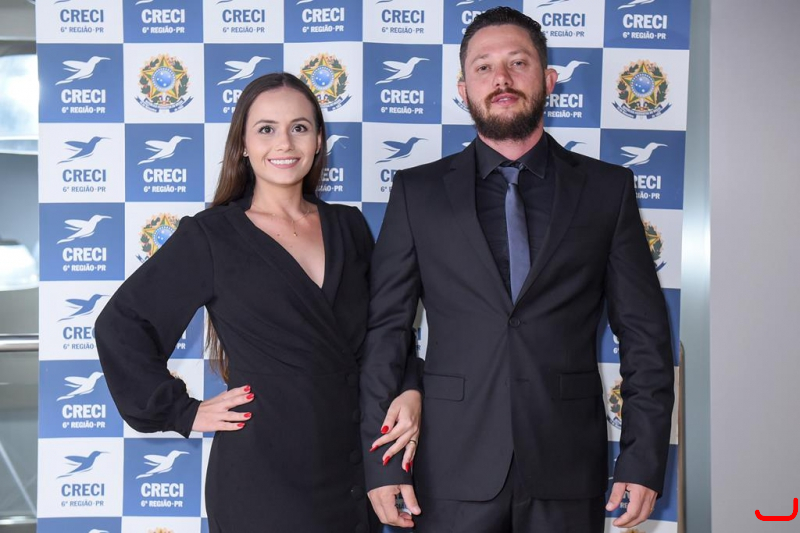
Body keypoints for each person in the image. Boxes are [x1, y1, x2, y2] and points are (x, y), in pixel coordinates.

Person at [360, 7, 675, 532]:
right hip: (448, 467)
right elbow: (385, 333)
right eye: (483, 67)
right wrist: (382, 464)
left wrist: (642, 459)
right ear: (463, 89)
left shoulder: (607, 189)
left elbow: (645, 336)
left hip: (567, 465)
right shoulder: (417, 192)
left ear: (548, 80)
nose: (501, 78)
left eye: (518, 62)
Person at [96, 72, 421, 533]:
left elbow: (383, 332)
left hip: (350, 469)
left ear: (318, 141)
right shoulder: (211, 235)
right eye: (266, 128)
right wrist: (182, 411)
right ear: (243, 145)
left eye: (299, 127)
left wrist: (410, 387)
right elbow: (122, 324)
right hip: (260, 477)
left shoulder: (349, 226)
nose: (284, 143)